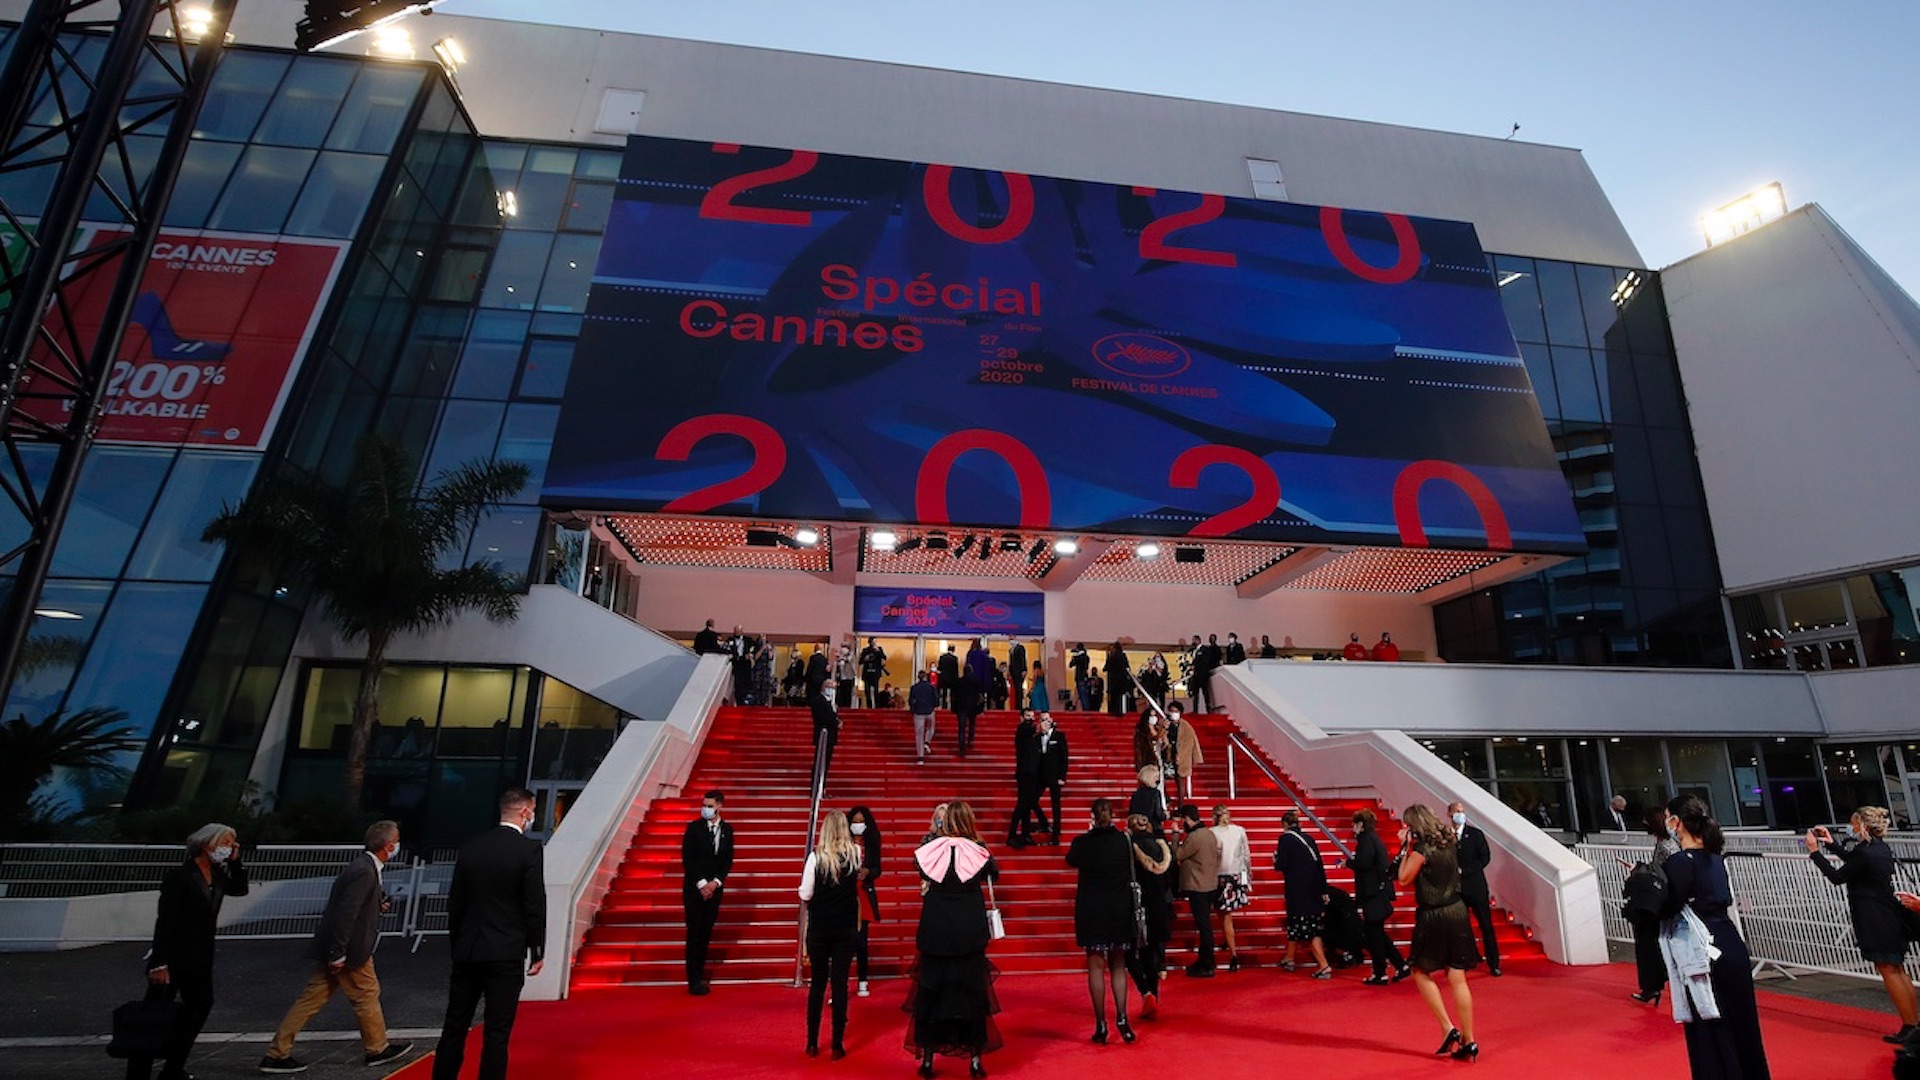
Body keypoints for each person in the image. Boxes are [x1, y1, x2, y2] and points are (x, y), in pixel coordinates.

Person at [261, 821, 411, 1074]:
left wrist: (377, 905)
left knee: (311, 999)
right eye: (396, 840)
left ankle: (277, 1052)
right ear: (388, 846)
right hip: (350, 951)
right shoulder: (365, 870)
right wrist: (338, 953)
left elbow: (352, 907)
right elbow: (346, 914)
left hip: (342, 949)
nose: (398, 844)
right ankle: (377, 1048)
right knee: (366, 995)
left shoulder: (364, 866)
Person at [432, 789, 546, 1080]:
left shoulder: (471, 848)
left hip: (468, 950)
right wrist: (537, 949)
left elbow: (455, 902)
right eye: (532, 810)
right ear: (525, 812)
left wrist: (458, 942)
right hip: (506, 952)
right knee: (497, 1031)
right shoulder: (528, 851)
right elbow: (533, 904)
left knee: (455, 1025)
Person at [1659, 794, 1771, 1079]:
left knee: (1709, 1027)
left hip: (1701, 950)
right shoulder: (1716, 859)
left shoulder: (1680, 863)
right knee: (1743, 1025)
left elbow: (1668, 906)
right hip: (1730, 944)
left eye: (1669, 817)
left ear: (1678, 822)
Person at [128, 822, 250, 1080]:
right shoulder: (180, 876)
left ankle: (173, 1068)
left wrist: (236, 862)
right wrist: (159, 962)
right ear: (207, 844)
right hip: (173, 959)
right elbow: (166, 921)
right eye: (227, 843)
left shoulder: (216, 876)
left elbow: (240, 889)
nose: (230, 848)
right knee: (154, 1017)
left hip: (200, 959)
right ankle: (138, 1074)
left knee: (199, 1007)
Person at [905, 801, 1001, 1079]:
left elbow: (922, 870)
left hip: (936, 928)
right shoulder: (979, 851)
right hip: (968, 929)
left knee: (930, 996)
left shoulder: (930, 850)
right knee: (972, 995)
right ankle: (974, 1060)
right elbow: (992, 873)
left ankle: (927, 1060)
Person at [1806, 806, 1916, 1043]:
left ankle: (1910, 1025)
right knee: (1897, 968)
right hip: (1889, 912)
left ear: (1863, 827)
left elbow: (1838, 877)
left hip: (1873, 915)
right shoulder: (1880, 849)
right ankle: (1914, 1023)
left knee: (1888, 969)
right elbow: (1854, 863)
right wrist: (1831, 844)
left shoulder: (1866, 853)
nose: (1851, 828)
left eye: (1854, 824)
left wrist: (1815, 853)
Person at [1394, 803, 1481, 1062]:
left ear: (1413, 826)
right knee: (1457, 976)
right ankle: (1470, 1040)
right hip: (1457, 910)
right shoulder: (1449, 842)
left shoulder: (1422, 850)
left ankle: (1447, 1027)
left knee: (1419, 969)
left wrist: (1404, 847)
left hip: (1434, 915)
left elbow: (1403, 878)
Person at [1067, 798, 1136, 1044]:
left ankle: (1100, 1023)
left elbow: (1071, 860)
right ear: (1113, 814)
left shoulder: (1082, 843)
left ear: (1093, 816)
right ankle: (1122, 1017)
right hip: (1119, 909)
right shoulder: (1123, 841)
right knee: (1118, 965)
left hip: (1092, 910)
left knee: (1095, 966)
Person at [800, 810, 863, 1059]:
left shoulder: (815, 858)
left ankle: (812, 1042)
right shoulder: (856, 854)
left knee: (817, 984)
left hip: (820, 928)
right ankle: (837, 1044)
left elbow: (805, 893)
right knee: (839, 984)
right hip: (846, 928)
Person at [1623, 806, 1681, 1005]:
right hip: (1661, 899)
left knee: (1647, 942)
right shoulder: (1667, 843)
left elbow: (1664, 871)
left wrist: (1639, 870)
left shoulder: (1666, 845)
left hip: (1658, 901)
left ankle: (1651, 986)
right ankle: (1652, 986)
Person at [1347, 807, 1408, 985]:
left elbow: (1364, 862)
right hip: (1378, 892)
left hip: (1373, 893)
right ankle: (1399, 964)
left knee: (1374, 934)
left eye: (1354, 824)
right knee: (1377, 932)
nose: (1353, 828)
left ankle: (1380, 972)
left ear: (1360, 824)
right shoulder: (1374, 839)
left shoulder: (1366, 840)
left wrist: (1348, 863)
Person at [681, 790, 734, 995]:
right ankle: (693, 979)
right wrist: (702, 884)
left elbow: (727, 860)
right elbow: (688, 859)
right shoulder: (693, 829)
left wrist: (715, 883)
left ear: (720, 806)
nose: (706, 809)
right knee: (694, 932)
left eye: (710, 805)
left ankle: (700, 974)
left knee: (706, 932)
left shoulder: (728, 830)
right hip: (694, 890)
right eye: (704, 805)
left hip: (715, 890)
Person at [1125, 812, 1175, 1018]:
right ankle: (1153, 994)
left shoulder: (1129, 848)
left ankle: (1146, 992)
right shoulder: (1162, 847)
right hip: (1159, 906)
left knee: (1128, 952)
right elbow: (1172, 879)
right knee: (1152, 952)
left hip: (1135, 905)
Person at [1272, 811, 1332, 978]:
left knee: (1308, 928)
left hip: (1298, 891)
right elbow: (1319, 865)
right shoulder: (1309, 839)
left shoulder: (1285, 839)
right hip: (1313, 889)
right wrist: (1324, 889)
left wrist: (1275, 859)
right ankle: (1289, 958)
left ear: (1284, 824)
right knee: (1298, 925)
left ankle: (1323, 965)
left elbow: (1282, 864)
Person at [1448, 800, 1502, 976]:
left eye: (1462, 811)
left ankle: (1494, 963)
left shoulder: (1475, 834)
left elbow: (1484, 857)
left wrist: (1466, 870)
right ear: (1450, 814)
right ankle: (1468, 958)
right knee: (1460, 927)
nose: (1460, 814)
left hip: (1476, 887)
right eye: (1456, 811)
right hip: (1457, 890)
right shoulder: (1446, 837)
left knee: (1486, 925)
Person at [1173, 803, 1220, 977]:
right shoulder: (1209, 833)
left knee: (1204, 926)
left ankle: (1207, 962)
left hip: (1198, 886)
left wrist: (1176, 834)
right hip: (1209, 884)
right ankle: (1206, 960)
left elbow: (1177, 854)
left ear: (1186, 819)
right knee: (1205, 925)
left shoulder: (1195, 837)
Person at [1211, 804, 1252, 971]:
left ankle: (1233, 953)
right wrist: (1248, 877)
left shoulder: (1212, 832)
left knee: (1225, 914)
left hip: (1220, 875)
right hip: (1235, 874)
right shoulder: (1240, 830)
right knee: (1225, 913)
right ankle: (1227, 941)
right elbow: (1246, 855)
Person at [849, 805, 885, 998]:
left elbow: (878, 869)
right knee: (843, 941)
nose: (857, 825)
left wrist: (868, 872)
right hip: (845, 893)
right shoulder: (842, 841)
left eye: (860, 822)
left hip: (863, 892)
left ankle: (863, 980)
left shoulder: (871, 842)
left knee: (862, 940)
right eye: (854, 822)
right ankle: (841, 982)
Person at [1007, 711, 1043, 848]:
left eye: (1032, 716)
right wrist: (1041, 725)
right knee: (1022, 804)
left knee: (1027, 805)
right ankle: (1011, 835)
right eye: (1028, 716)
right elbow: (1030, 729)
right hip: (1025, 773)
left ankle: (1025, 834)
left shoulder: (1031, 733)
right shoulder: (1022, 729)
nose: (1031, 719)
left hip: (1032, 773)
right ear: (1021, 717)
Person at [1036, 713, 1068, 844]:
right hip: (1040, 776)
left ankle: (1056, 833)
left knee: (1056, 805)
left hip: (1055, 776)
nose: (1045, 722)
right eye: (1043, 720)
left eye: (1047, 720)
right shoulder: (1037, 737)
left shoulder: (1059, 736)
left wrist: (1062, 776)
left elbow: (1064, 758)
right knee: (1032, 800)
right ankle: (1044, 823)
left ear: (1052, 721)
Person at [1166, 702, 1203, 802]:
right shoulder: (1165, 723)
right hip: (1167, 755)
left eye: (1176, 711)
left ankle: (1181, 804)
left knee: (1180, 782)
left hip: (1181, 757)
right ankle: (1165, 801)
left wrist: (1196, 757)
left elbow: (1193, 741)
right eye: (1171, 711)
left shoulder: (1186, 726)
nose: (1173, 713)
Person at [1128, 764, 1167, 838]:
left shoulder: (1135, 794)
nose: (1158, 780)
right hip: (1153, 830)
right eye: (1156, 777)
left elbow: (1131, 813)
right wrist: (1165, 815)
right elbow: (1158, 814)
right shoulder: (1155, 793)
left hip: (1137, 830)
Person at [909, 671, 938, 764]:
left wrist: (913, 709)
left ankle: (920, 757)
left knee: (919, 734)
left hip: (918, 711)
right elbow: (936, 699)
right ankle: (927, 741)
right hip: (929, 710)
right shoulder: (931, 687)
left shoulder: (914, 688)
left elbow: (911, 700)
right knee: (931, 727)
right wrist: (933, 706)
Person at [809, 689, 840, 776]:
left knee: (826, 761)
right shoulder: (819, 700)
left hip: (830, 736)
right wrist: (835, 722)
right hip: (823, 735)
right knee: (820, 761)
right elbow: (821, 717)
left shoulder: (831, 702)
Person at [1190, 635, 1221, 713]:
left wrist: (1196, 666)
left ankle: (1208, 709)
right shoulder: (1193, 651)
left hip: (1203, 675)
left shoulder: (1205, 650)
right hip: (1195, 676)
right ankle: (1195, 710)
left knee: (1205, 693)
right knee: (1195, 694)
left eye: (1195, 640)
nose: (1193, 642)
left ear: (1199, 640)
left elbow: (1205, 662)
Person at [1103, 641, 1131, 717]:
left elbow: (1106, 668)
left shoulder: (1111, 657)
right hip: (1121, 681)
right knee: (1120, 697)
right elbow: (1127, 667)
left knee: (1113, 697)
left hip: (1113, 681)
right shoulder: (1123, 656)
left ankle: (1113, 712)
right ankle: (1120, 712)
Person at [859, 637, 888, 709]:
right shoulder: (865, 650)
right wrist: (865, 658)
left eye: (875, 641)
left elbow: (884, 657)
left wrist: (878, 651)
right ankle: (869, 706)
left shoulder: (879, 649)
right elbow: (860, 662)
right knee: (867, 691)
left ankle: (877, 706)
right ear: (870, 642)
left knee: (876, 690)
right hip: (867, 673)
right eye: (873, 641)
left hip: (875, 672)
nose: (874, 643)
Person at [1068, 642, 1091, 710]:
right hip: (1084, 677)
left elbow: (1071, 665)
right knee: (1083, 694)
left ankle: (1086, 709)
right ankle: (1084, 708)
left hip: (1080, 677)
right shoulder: (1086, 657)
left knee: (1082, 695)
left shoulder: (1079, 658)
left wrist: (1074, 658)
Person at [834, 643, 857, 708]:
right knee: (841, 693)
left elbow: (848, 660)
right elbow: (837, 668)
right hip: (841, 678)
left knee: (848, 693)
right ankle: (840, 705)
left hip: (849, 677)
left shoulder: (851, 655)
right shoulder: (840, 657)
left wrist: (841, 658)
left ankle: (847, 706)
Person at [1007, 640, 1028, 714]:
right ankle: (1016, 705)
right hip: (1013, 672)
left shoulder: (1020, 648)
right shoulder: (1010, 650)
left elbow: (1022, 659)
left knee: (1019, 688)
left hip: (1019, 671)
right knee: (1015, 689)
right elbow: (1010, 661)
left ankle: (1019, 706)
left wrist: (1024, 669)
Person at [937, 646, 960, 710]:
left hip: (943, 678)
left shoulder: (942, 657)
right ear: (954, 650)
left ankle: (944, 705)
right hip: (952, 678)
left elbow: (939, 668)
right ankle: (952, 706)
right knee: (952, 693)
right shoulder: (954, 658)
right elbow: (955, 670)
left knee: (944, 692)